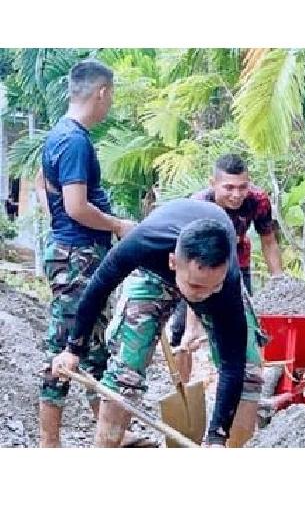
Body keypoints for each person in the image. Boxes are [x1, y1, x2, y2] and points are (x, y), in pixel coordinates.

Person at [51, 199, 250, 447]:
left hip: (213, 279)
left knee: (248, 368)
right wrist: (73, 349)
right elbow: (97, 289)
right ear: (173, 263)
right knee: (125, 371)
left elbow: (233, 364)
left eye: (213, 287)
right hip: (153, 273)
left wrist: (217, 437)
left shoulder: (225, 284)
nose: (204, 295)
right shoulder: (143, 242)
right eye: (196, 287)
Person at [38, 59, 136, 448]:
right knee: (65, 346)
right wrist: (117, 225)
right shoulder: (75, 140)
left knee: (93, 346)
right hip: (77, 255)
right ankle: (49, 442)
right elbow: (76, 206)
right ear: (102, 92)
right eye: (110, 96)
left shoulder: (57, 136)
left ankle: (108, 434)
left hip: (72, 250)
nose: (109, 104)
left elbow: (48, 193)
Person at [169, 153, 283, 446]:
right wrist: (194, 321)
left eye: (242, 187)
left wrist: (281, 280)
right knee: (183, 335)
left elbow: (268, 240)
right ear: (214, 184)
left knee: (239, 338)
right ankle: (183, 390)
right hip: (195, 269)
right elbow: (195, 276)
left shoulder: (258, 202)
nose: (236, 195)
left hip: (236, 270)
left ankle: (234, 393)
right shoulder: (200, 205)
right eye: (228, 188)